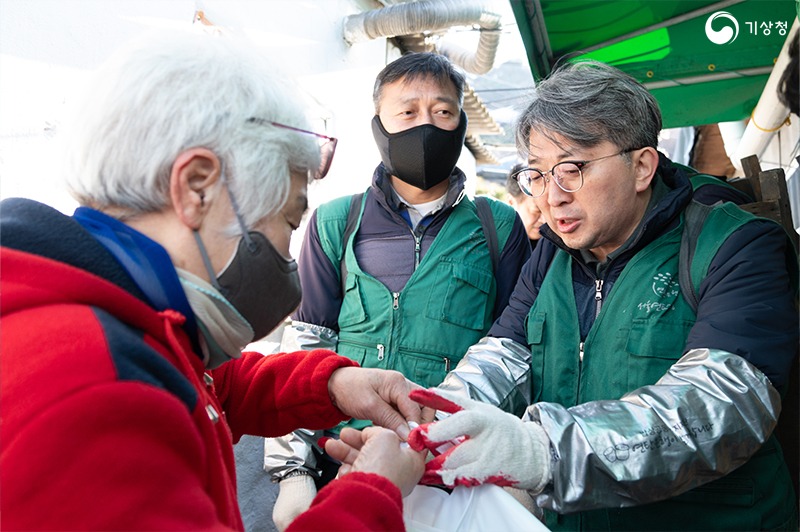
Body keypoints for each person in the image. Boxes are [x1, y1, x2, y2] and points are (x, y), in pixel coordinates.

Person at [0, 32, 430, 531]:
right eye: (288, 223)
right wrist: (372, 493)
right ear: (197, 186)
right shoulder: (95, 392)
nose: (287, 261)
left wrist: (334, 384)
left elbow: (207, 382)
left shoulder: (117, 318)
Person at [407, 59, 799, 531]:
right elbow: (502, 357)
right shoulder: (552, 256)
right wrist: (426, 420)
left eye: (571, 169)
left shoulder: (734, 243)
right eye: (537, 174)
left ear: (641, 166)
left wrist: (542, 450)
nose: (552, 196)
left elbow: (723, 404)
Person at [264, 51, 531, 530]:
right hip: (346, 461)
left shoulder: (498, 227)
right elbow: (306, 344)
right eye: (407, 112)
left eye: (443, 112)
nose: (426, 126)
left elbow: (513, 348)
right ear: (379, 126)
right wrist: (292, 471)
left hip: (454, 472)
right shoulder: (336, 222)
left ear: (461, 124)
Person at [506, 162, 546, 248]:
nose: (544, 220)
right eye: (537, 210)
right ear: (511, 202)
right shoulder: (494, 244)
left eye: (549, 208)